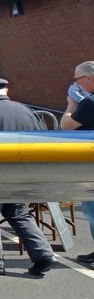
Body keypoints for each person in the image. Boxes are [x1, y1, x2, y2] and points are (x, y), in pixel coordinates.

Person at [0, 75, 56, 277]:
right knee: (20, 215)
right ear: (6, 91)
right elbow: (43, 142)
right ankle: (43, 254)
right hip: (21, 176)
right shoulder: (28, 112)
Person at [60, 60, 94, 264]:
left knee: (91, 210)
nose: (76, 84)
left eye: (78, 79)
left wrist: (71, 105)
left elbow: (67, 125)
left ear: (89, 78)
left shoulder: (89, 103)